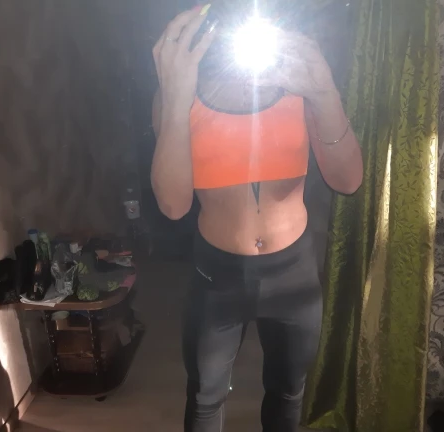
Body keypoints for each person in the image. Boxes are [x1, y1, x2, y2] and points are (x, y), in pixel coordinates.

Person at [151, 2, 363, 431]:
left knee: (288, 391)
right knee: (205, 396)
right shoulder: (180, 91)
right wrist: (174, 100)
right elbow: (173, 206)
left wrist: (325, 93)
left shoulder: (298, 81)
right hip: (217, 276)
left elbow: (348, 181)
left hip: (294, 274)